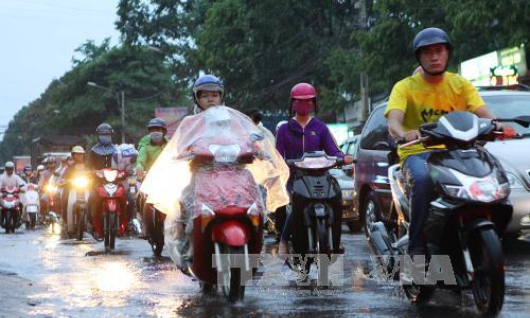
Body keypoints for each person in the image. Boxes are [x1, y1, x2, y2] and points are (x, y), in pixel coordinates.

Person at [141, 75, 289, 270]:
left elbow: (248, 138)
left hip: (236, 174)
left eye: (215, 95)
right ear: (197, 99)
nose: (211, 99)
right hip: (202, 175)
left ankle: (254, 251)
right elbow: (181, 145)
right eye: (205, 96)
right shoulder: (190, 122)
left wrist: (258, 149)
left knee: (256, 206)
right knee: (184, 207)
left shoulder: (234, 120)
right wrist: (185, 153)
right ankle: (187, 250)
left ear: (221, 97)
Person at [385, 27, 509, 257]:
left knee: (492, 173)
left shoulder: (460, 84)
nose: (434, 56)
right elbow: (394, 121)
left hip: (458, 151)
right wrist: (403, 133)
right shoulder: (404, 87)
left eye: (439, 50)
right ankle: (417, 248)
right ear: (419, 57)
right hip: (419, 153)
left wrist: (497, 125)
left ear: (447, 53)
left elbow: (482, 111)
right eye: (428, 52)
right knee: (422, 181)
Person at [276, 82, 353, 254]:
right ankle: (283, 240)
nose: (304, 105)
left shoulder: (320, 127)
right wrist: (278, 164)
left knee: (336, 198)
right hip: (295, 177)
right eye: (300, 101)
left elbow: (333, 150)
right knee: (295, 204)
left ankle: (335, 239)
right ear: (292, 103)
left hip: (321, 176)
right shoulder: (284, 129)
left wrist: (343, 158)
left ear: (314, 103)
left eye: (309, 101)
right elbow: (278, 155)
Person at [136, 117, 169, 239]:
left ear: (164, 131)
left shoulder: (170, 144)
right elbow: (141, 159)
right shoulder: (145, 145)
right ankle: (144, 226)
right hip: (150, 178)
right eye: (153, 129)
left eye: (158, 129)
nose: (155, 132)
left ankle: (178, 225)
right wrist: (139, 167)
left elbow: (176, 156)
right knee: (141, 198)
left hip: (168, 178)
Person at [86, 123, 119, 237]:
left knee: (129, 198)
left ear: (111, 135)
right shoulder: (93, 151)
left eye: (107, 134)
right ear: (98, 136)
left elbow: (122, 164)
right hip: (97, 182)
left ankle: (128, 223)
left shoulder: (117, 150)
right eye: (102, 134)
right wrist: (91, 172)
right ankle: (90, 222)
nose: (104, 136)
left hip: (115, 182)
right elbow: (88, 167)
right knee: (90, 199)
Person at [59, 146, 89, 236]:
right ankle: (66, 222)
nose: (78, 156)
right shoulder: (70, 167)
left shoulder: (88, 166)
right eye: (76, 154)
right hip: (72, 188)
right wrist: (65, 181)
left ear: (83, 155)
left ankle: (93, 222)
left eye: (80, 154)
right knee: (65, 199)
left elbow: (93, 175)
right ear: (73, 155)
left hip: (86, 188)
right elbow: (64, 178)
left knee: (94, 200)